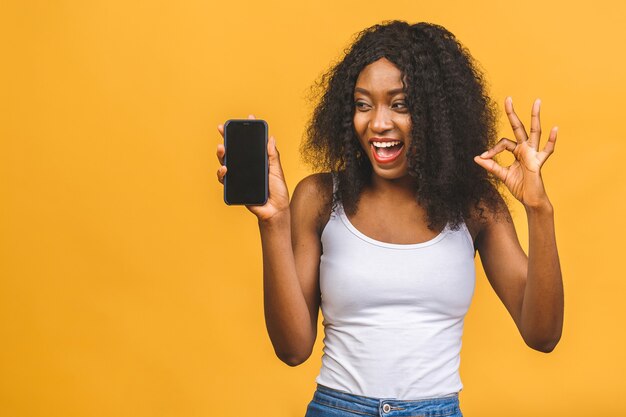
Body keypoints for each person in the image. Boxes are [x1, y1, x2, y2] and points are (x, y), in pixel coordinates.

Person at [215, 20, 563, 417]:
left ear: (437, 115)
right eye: (363, 104)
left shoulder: (474, 205)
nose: (378, 123)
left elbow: (543, 334)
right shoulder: (320, 197)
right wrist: (273, 221)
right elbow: (292, 350)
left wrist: (539, 209)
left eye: (400, 104)